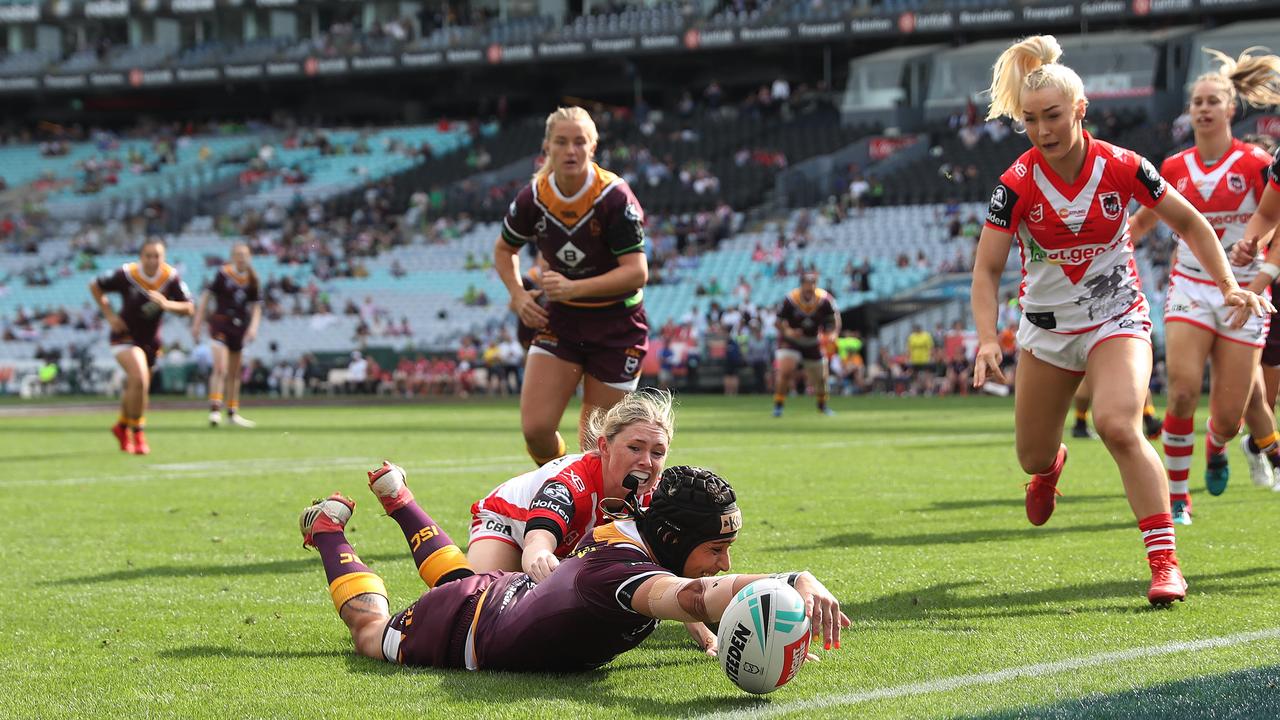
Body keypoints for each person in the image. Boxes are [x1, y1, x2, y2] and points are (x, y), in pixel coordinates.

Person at [970, 36, 1271, 606]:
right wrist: (989, 338)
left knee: (1117, 423)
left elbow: (1191, 223)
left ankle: (1165, 564)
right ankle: (1050, 467)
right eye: (1030, 120)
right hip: (1047, 332)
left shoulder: (1124, 165)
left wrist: (1230, 286)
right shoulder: (1014, 182)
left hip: (1117, 319)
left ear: (1080, 111)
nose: (1042, 130)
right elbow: (986, 270)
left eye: (1053, 116)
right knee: (1031, 454)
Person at [297, 462, 848, 670]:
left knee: (459, 580)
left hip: (500, 596)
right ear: (673, 537)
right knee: (371, 633)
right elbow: (694, 596)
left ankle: (400, 503)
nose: (726, 561)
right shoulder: (620, 569)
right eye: (715, 548)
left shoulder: (636, 533)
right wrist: (791, 579)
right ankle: (327, 533)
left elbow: (696, 583)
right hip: (469, 628)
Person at [1128, 48, 1280, 517]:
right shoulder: (1172, 168)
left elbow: (1271, 219)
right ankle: (1177, 498)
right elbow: (1143, 223)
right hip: (1191, 286)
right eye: (1197, 102)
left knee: (1232, 415)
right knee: (1181, 390)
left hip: (1246, 293)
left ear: (1232, 108)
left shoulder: (1256, 162)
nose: (1204, 108)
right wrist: (1106, 247)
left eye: (1214, 101)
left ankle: (1217, 446)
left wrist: (1258, 263)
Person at [467, 387, 715, 653]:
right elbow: (538, 540)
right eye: (635, 448)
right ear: (604, 447)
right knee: (478, 612)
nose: (646, 461)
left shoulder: (652, 497)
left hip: (565, 550)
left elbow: (671, 571)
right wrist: (539, 558)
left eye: (657, 453)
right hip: (506, 524)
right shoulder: (573, 480)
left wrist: (707, 637)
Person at [494, 107, 650, 466]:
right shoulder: (533, 197)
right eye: (561, 142)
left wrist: (573, 288)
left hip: (618, 326)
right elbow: (504, 250)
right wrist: (518, 295)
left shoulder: (615, 198)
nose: (570, 150)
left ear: (592, 147)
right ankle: (564, 489)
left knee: (596, 445)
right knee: (536, 428)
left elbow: (637, 272)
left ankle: (594, 512)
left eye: (580, 142)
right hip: (561, 321)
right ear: (546, 147)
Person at [89, 237, 194, 455]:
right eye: (148, 255)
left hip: (151, 341)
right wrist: (109, 315)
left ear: (163, 257)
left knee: (136, 386)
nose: (153, 260)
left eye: (157, 255)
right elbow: (95, 285)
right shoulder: (127, 274)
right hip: (124, 336)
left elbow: (189, 308)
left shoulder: (170, 277)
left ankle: (121, 426)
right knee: (139, 378)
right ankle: (138, 432)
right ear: (141, 256)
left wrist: (166, 304)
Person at [192, 243, 262, 428]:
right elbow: (207, 297)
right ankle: (215, 410)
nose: (241, 258)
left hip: (239, 327)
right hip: (221, 323)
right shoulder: (223, 275)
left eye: (244, 255)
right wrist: (198, 322)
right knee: (220, 368)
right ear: (232, 257)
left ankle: (232, 413)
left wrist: (253, 327)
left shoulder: (252, 280)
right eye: (238, 254)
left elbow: (256, 307)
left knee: (234, 372)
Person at [772, 271, 839, 417]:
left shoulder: (824, 299)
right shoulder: (790, 300)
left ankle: (822, 405)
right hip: (791, 341)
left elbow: (834, 319)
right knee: (786, 371)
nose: (810, 290)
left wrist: (833, 334)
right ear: (801, 285)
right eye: (807, 286)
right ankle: (778, 405)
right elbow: (778, 322)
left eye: (813, 285)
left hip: (813, 341)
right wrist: (789, 331)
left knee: (821, 377)